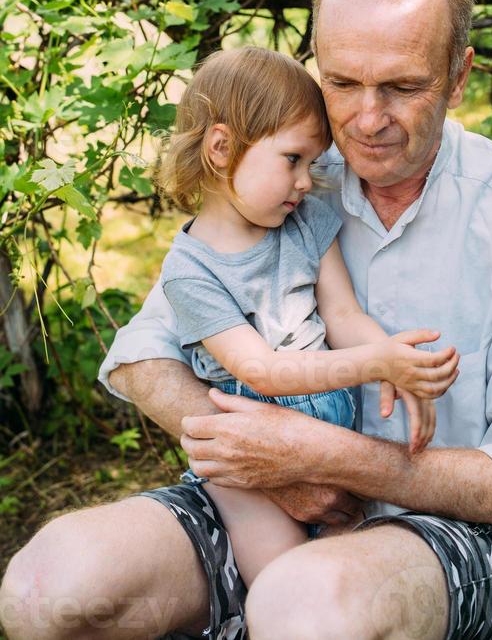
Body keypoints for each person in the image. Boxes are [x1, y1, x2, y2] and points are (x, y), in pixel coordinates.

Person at [0, 0, 492, 640]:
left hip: (459, 529)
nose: (367, 120)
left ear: (458, 75)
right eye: (342, 83)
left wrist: (319, 458)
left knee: (303, 607)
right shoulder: (283, 180)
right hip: (263, 495)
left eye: (403, 88)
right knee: (46, 592)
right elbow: (143, 357)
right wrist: (266, 465)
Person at [154, 44, 458, 585]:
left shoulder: (305, 221)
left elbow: (342, 314)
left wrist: (397, 362)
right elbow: (262, 371)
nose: (305, 181)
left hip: (328, 437)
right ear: (221, 148)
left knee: (343, 576)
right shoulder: (190, 273)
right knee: (281, 578)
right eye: (292, 159)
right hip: (250, 464)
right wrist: (373, 364)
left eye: (313, 164)